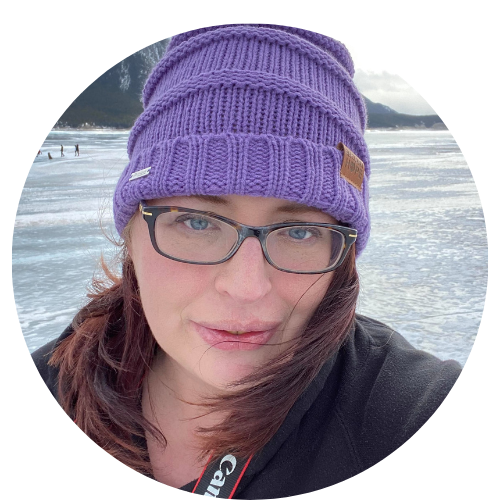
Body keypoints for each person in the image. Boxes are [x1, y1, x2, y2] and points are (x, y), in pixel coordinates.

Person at [31, 24, 462, 497]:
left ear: (341, 254)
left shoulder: (401, 411)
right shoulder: (56, 382)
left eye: (299, 231)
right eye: (197, 222)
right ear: (131, 234)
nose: (246, 287)